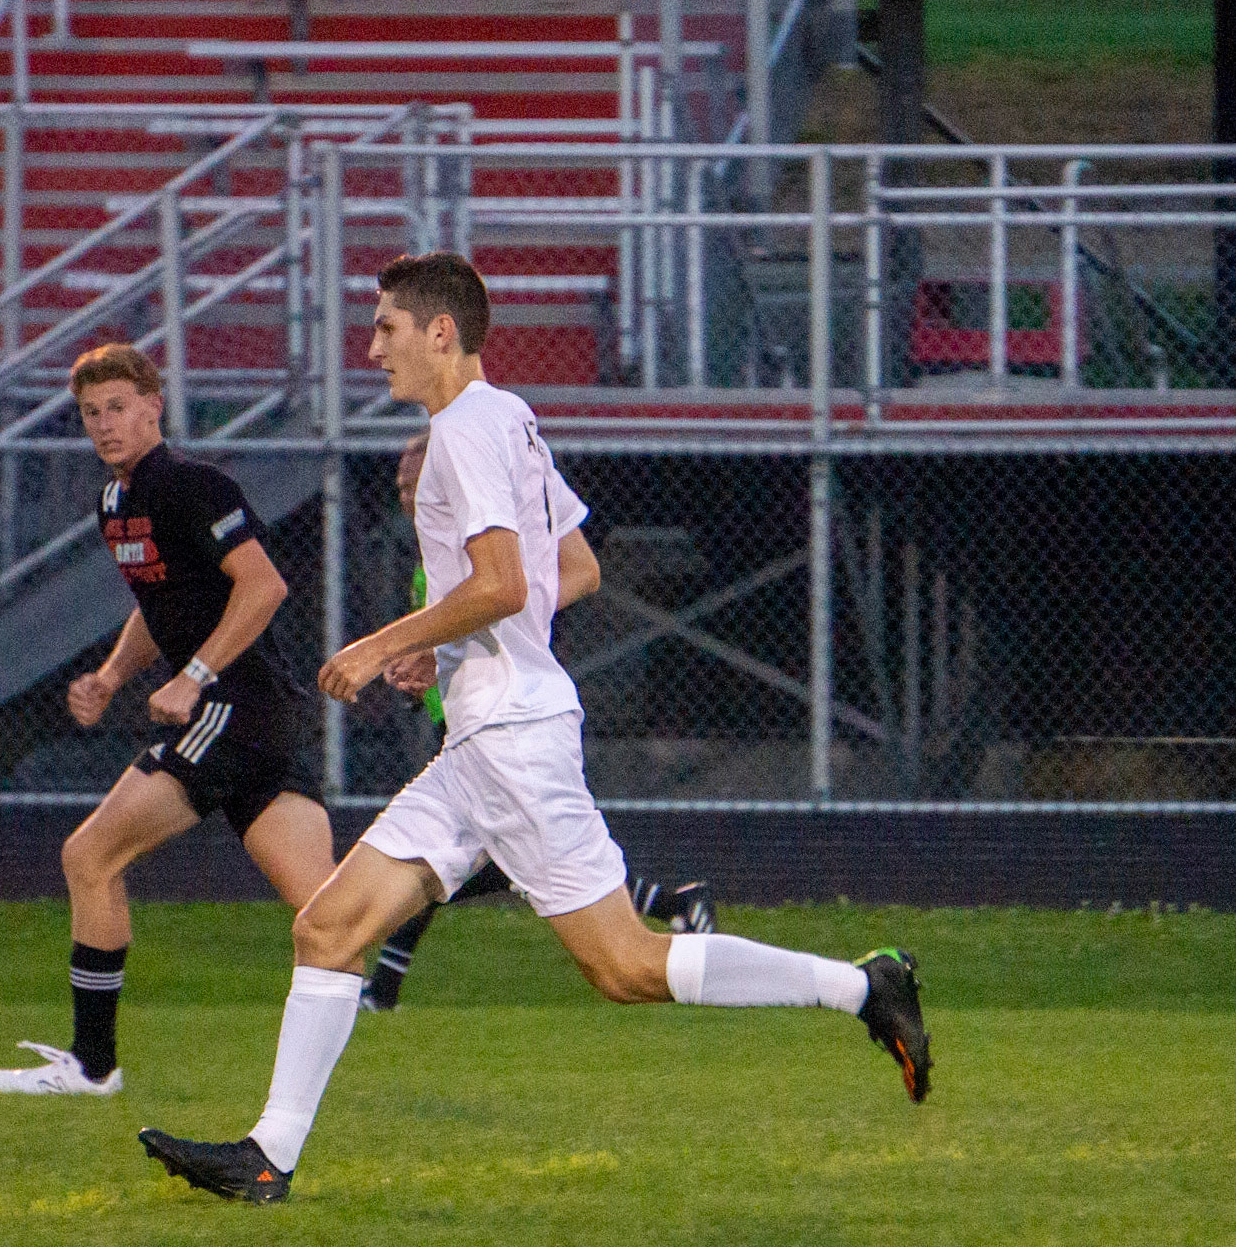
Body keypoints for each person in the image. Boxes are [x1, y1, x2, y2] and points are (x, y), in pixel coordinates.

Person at [138, 252, 932, 1201]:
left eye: (386, 327)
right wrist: (448, 642)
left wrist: (387, 641)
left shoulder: (463, 430)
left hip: (511, 737)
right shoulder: (508, 415)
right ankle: (268, 1157)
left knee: (626, 964)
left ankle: (864, 985)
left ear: (441, 332)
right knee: (329, 928)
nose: (372, 347)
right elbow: (574, 568)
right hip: (483, 737)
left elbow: (509, 583)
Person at [0, 342, 336, 1097]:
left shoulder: (192, 486)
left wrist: (193, 676)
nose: (105, 424)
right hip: (257, 717)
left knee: (90, 856)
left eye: (118, 407)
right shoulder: (114, 503)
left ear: (154, 405)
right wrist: (112, 676)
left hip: (234, 709)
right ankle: (477, 870)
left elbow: (264, 586)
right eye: (90, 413)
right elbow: (158, 603)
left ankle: (93, 1065)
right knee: (333, 909)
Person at [360, 432, 714, 1013]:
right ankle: (672, 903)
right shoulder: (436, 551)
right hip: (466, 731)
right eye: (399, 484)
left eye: (413, 482)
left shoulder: (490, 536)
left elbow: (575, 574)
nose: (404, 494)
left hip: (509, 728)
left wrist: (472, 633)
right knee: (483, 866)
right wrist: (429, 660)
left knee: (444, 868)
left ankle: (838, 985)